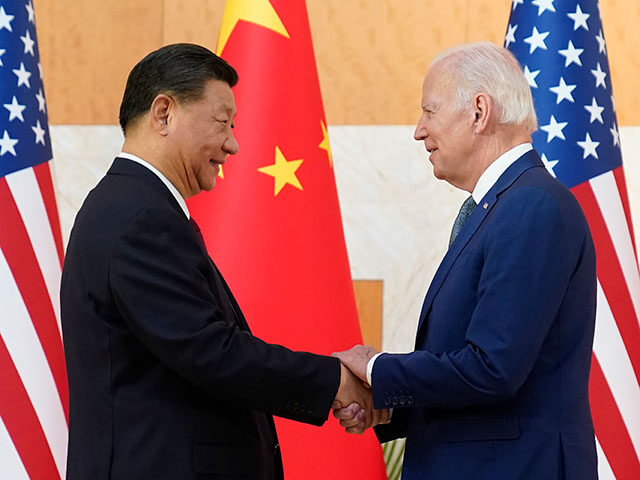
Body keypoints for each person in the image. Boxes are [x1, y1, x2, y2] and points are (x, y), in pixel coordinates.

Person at [60, 43, 375, 480]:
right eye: (222, 122)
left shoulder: (133, 206)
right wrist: (334, 381)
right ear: (164, 113)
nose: (233, 144)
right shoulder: (139, 216)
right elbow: (211, 351)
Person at [333, 42, 598, 479]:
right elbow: (478, 371)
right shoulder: (502, 206)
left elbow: (493, 369)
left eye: (429, 112)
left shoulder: (531, 206)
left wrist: (379, 370)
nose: (419, 131)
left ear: (479, 112)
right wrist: (390, 404)